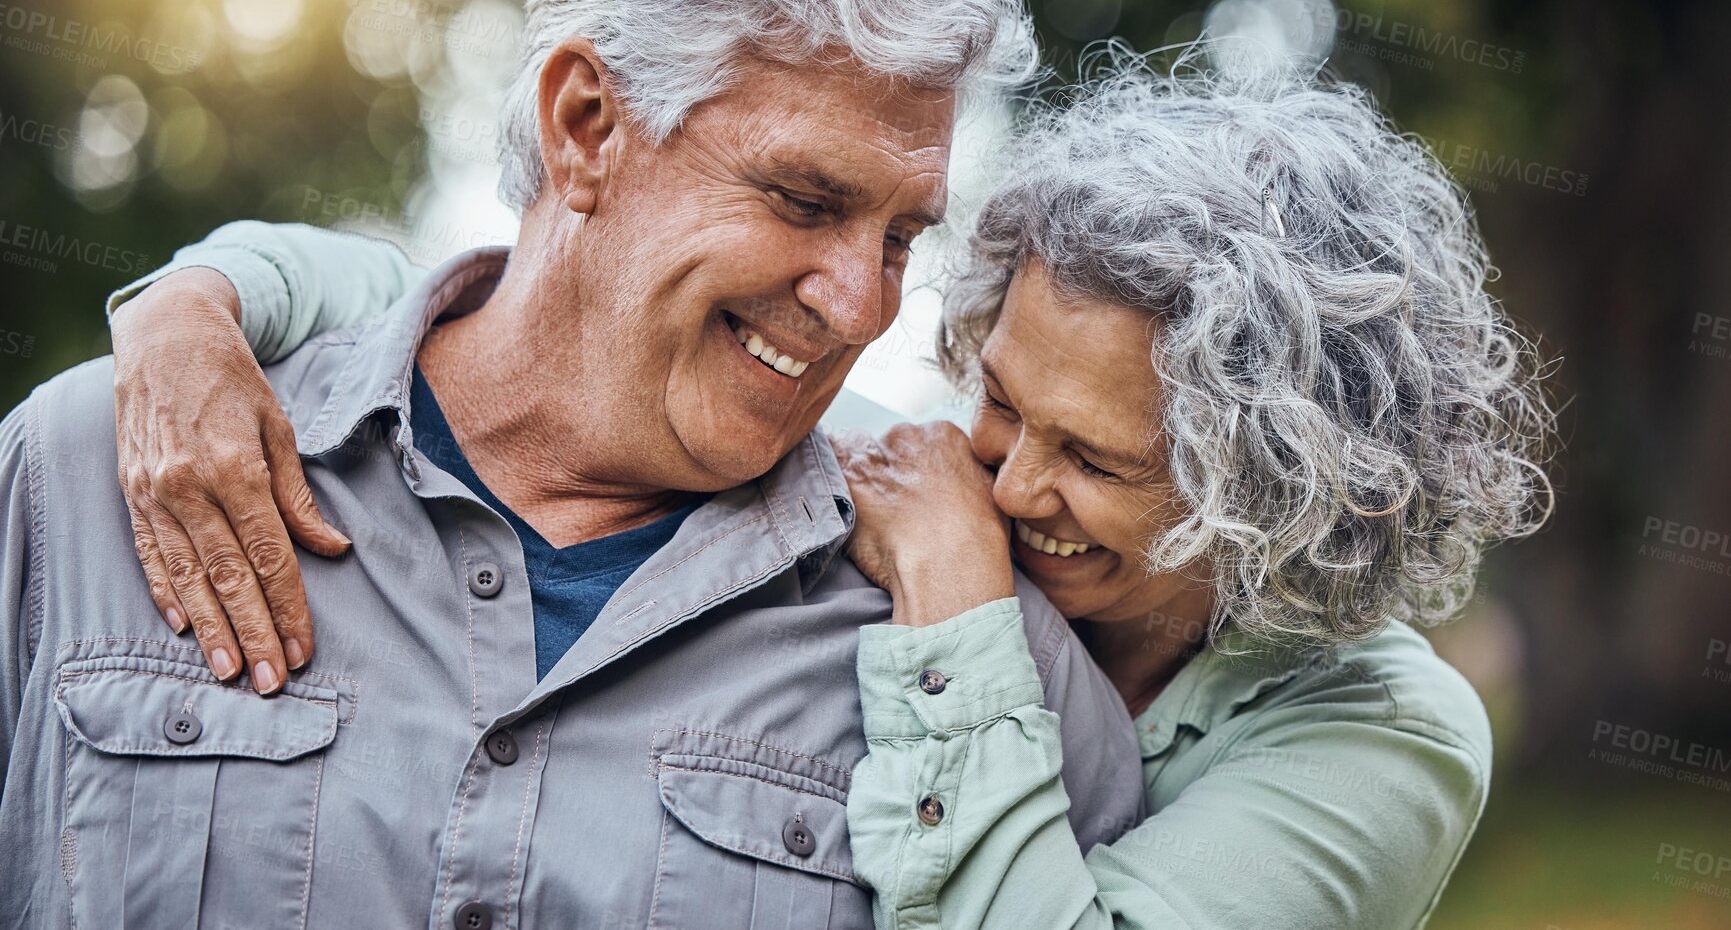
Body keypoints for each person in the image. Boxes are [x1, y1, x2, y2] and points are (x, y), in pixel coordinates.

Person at [100, 52, 1555, 929]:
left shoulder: (1385, 737)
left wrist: (962, 614)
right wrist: (201, 297)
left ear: (1274, 504)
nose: (1007, 473)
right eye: (996, 393)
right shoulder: (924, 475)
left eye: (1096, 460)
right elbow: (524, 313)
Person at [0, 0, 1147, 930]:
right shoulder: (88, 475)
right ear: (584, 127)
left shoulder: (974, 644)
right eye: (804, 201)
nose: (862, 306)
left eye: (900, 239)